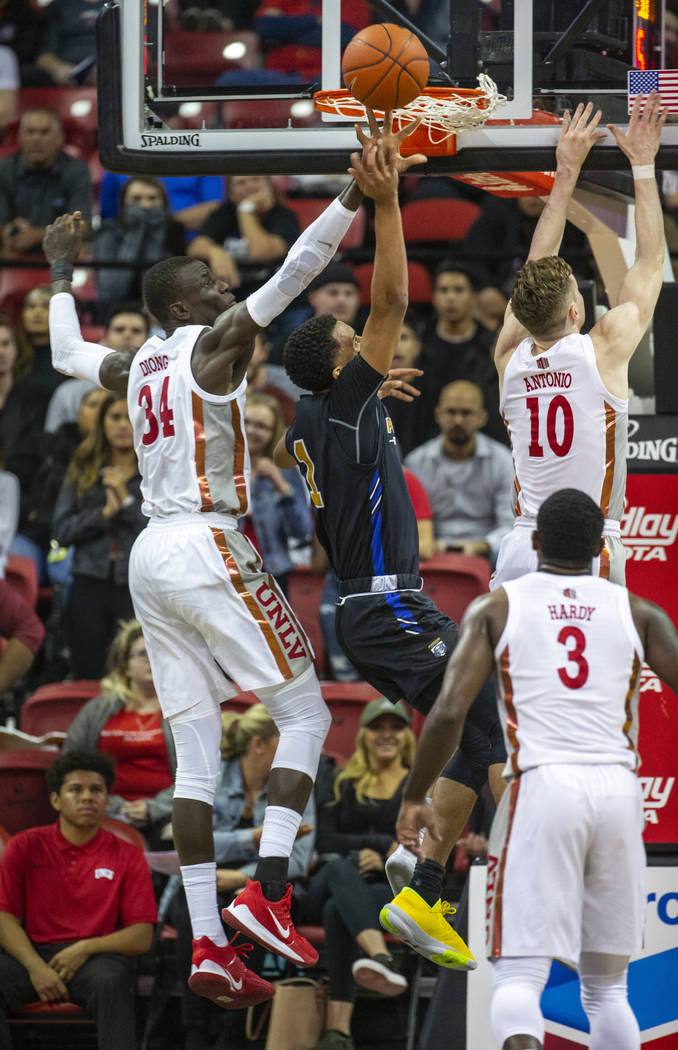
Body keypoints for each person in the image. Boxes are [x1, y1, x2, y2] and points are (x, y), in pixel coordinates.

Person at [43, 114, 424, 1008]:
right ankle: (272, 891)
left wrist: (62, 273)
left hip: (149, 556)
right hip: (208, 541)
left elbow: (64, 351)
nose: (225, 289)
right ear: (184, 306)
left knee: (194, 758)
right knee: (303, 712)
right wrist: (352, 196)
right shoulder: (214, 349)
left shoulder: (135, 366)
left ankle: (209, 941)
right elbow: (295, 275)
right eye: (211, 284)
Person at [278, 109, 500, 972]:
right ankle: (416, 854)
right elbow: (396, 299)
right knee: (475, 725)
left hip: (370, 608)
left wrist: (364, 399)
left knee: (485, 737)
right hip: (382, 607)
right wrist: (390, 199)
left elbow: (354, 369)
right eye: (353, 343)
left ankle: (421, 887)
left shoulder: (323, 408)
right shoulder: (335, 400)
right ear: (340, 365)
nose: (368, 339)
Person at [393, 488, 678, 1050]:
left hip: (541, 786)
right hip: (620, 793)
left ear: (537, 542)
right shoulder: (637, 611)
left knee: (520, 975)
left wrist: (415, 793)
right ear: (603, 547)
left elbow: (450, 711)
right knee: (608, 991)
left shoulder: (500, 606)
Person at [492, 94, 667, 590]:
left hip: (522, 544)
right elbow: (650, 264)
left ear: (522, 315)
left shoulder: (509, 356)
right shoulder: (604, 346)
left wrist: (564, 172)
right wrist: (644, 164)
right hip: (590, 544)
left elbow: (532, 266)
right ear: (576, 310)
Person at [171, 703, 315, 1050]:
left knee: (248, 911)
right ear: (260, 744)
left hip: (257, 888)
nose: (296, 751)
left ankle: (231, 1032)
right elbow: (189, 843)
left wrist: (240, 878)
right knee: (187, 903)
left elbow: (298, 859)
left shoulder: (297, 783)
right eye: (286, 740)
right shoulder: (214, 778)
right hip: (209, 884)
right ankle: (194, 1030)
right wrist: (251, 838)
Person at [0, 750, 157, 1050]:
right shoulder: (25, 845)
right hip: (30, 956)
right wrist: (36, 967)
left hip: (95, 960)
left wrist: (84, 948)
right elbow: (4, 918)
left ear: (107, 800)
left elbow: (141, 936)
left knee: (112, 979)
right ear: (56, 800)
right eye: (76, 789)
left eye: (96, 790)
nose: (87, 797)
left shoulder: (128, 854)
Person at [302, 698, 415, 1050]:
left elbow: (418, 845)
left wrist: (381, 855)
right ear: (362, 734)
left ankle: (339, 1031)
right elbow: (324, 837)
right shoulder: (340, 780)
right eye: (377, 727)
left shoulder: (416, 788)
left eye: (395, 728)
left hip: (386, 885)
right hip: (331, 874)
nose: (386, 735)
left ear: (407, 736)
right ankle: (380, 956)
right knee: (338, 868)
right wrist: (374, 847)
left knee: (340, 909)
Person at [52, 392, 146, 678]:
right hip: (88, 580)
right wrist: (104, 514)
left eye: (129, 418)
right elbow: (61, 532)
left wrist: (125, 500)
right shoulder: (82, 468)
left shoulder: (153, 472)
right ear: (102, 423)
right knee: (88, 672)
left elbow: (156, 529)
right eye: (114, 417)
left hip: (135, 584)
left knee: (133, 676)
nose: (122, 425)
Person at [63, 620, 175, 848]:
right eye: (143, 653)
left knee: (179, 837)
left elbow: (201, 773)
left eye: (157, 653)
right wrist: (111, 805)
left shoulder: (181, 710)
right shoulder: (97, 711)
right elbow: (70, 766)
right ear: (124, 665)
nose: (151, 660)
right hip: (105, 811)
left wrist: (153, 808)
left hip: (168, 813)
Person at [404, 380, 513, 563]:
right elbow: (408, 524)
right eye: (451, 412)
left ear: (483, 417)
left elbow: (510, 525)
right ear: (437, 414)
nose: (458, 420)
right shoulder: (416, 462)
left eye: (466, 413)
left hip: (487, 556)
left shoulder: (503, 462)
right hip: (430, 554)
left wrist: (483, 546)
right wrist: (427, 544)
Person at [242, 392, 311, 595]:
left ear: (274, 433)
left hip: (272, 572)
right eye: (246, 422)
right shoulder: (220, 466)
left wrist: (280, 485)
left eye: (262, 426)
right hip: (228, 571)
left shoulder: (285, 471)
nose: (251, 430)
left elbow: (301, 530)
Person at [0, 107, 92, 258]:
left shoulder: (77, 171)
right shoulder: (3, 169)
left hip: (61, 256)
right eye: (30, 132)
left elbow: (82, 227)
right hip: (12, 254)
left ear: (59, 138)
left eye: (44, 132)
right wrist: (9, 229)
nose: (36, 139)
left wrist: (35, 235)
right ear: (19, 138)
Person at [188, 173, 299, 295]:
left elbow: (261, 252)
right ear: (231, 193)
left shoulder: (284, 216)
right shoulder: (224, 213)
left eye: (255, 179)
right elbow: (195, 248)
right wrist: (215, 252)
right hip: (233, 296)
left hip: (276, 298)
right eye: (241, 183)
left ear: (269, 184)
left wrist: (246, 210)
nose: (249, 185)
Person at [93, 178, 188, 312]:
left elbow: (168, 291)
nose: (145, 205)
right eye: (136, 199)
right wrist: (136, 232)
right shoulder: (108, 233)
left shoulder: (174, 231)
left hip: (162, 314)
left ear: (164, 203)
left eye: (152, 198)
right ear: (123, 203)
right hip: (115, 312)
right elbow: (111, 291)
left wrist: (155, 233)